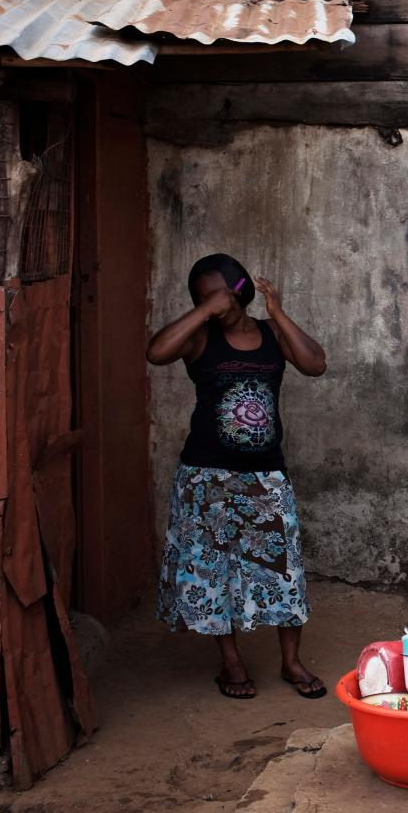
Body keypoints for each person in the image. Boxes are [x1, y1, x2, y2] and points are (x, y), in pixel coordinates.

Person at [148, 254, 328, 700]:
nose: (216, 301)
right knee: (214, 573)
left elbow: (315, 364)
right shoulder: (200, 339)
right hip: (207, 477)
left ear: (241, 289)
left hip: (265, 476)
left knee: (282, 569)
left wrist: (279, 313)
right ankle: (230, 661)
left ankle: (291, 662)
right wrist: (203, 312)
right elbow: (156, 353)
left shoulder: (270, 335)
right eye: (203, 295)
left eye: (221, 291)